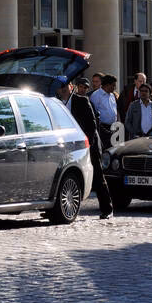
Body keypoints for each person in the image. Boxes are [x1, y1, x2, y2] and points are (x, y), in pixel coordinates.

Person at [52, 77, 114, 219]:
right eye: (59, 86)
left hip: (88, 144)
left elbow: (92, 126)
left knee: (97, 176)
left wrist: (87, 145)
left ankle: (107, 209)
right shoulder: (56, 104)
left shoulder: (82, 101)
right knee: (64, 176)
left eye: (65, 86)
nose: (62, 89)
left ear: (71, 86)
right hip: (67, 146)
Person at [89, 74, 120, 150]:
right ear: (107, 85)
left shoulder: (112, 95)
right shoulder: (96, 95)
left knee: (116, 150)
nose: (114, 87)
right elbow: (93, 114)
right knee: (105, 150)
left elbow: (115, 110)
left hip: (114, 127)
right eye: (113, 85)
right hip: (103, 129)